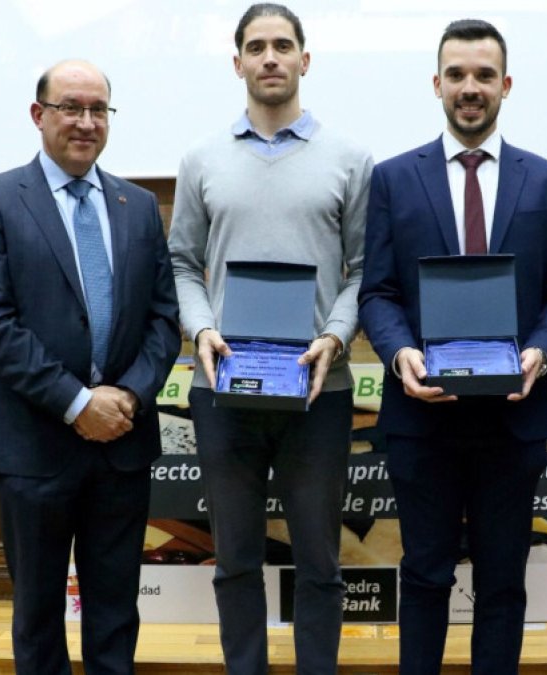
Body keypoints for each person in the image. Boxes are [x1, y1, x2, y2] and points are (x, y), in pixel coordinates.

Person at [357, 19, 547, 675]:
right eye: (456, 74)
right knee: (425, 574)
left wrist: (542, 350)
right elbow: (378, 291)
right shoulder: (393, 178)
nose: (470, 87)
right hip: (422, 416)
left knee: (503, 581)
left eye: (484, 74)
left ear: (506, 85)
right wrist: (399, 353)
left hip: (513, 416)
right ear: (437, 84)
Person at [0, 59, 181, 674]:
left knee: (116, 610)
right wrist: (78, 403)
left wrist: (128, 397)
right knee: (38, 613)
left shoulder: (137, 205)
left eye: (98, 110)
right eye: (70, 108)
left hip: (121, 444)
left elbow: (164, 320)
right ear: (39, 115)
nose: (86, 122)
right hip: (32, 444)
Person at [166, 4, 372, 673]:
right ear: (238, 64)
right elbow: (181, 263)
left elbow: (365, 269)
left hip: (319, 389)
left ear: (305, 60)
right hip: (224, 388)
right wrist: (201, 328)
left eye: (283, 45)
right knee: (234, 561)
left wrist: (335, 337)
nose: (270, 57)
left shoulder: (350, 159)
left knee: (320, 562)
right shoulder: (201, 159)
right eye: (256, 47)